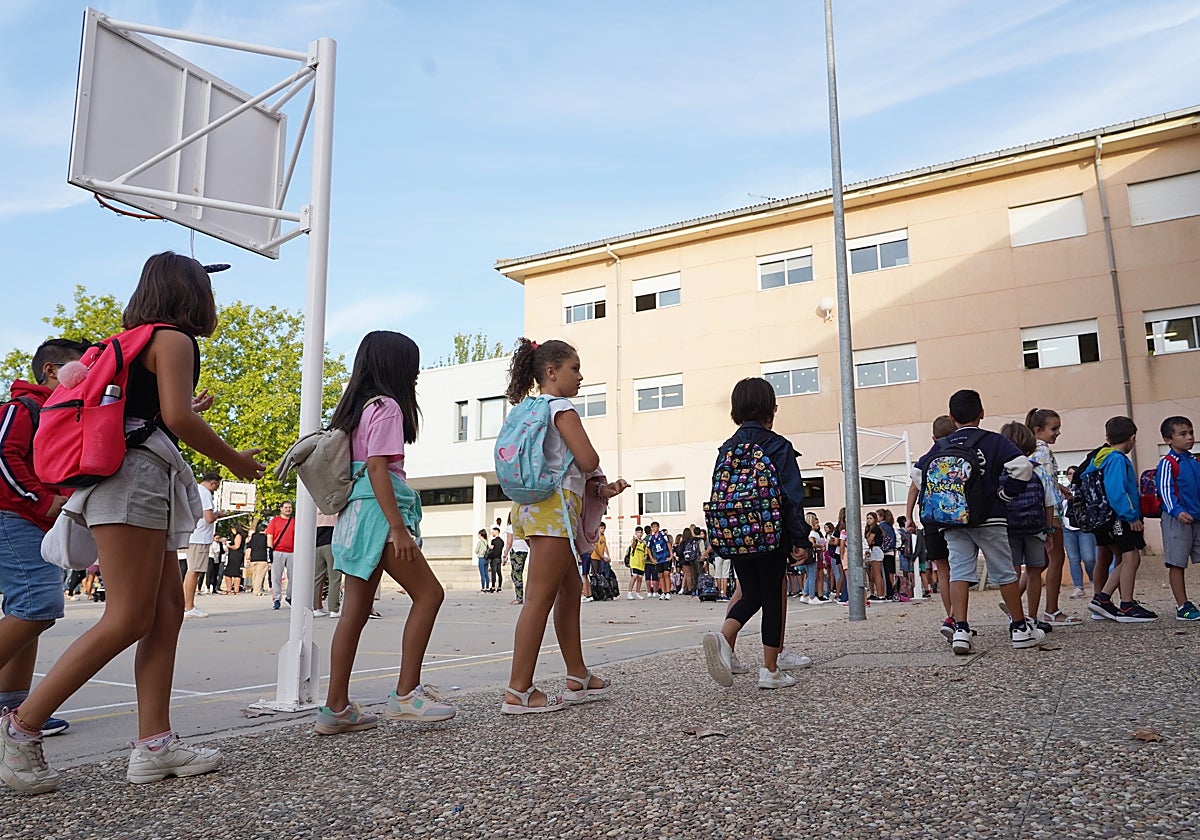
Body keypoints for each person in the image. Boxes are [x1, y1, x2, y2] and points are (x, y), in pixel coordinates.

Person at [1, 252, 266, 793]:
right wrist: (235, 459)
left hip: (128, 479)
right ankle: (22, 729)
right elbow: (177, 417)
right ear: (190, 292)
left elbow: (151, 414)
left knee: (167, 610)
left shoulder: (131, 341)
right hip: (135, 484)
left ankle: (154, 745)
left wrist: (185, 410)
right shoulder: (173, 339)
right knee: (127, 618)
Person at [315, 330, 454, 734]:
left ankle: (336, 707)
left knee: (354, 610)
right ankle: (406, 694)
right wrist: (399, 528)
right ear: (396, 366)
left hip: (354, 515)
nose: (416, 374)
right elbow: (379, 467)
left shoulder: (357, 408)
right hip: (380, 513)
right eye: (412, 366)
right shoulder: (389, 407)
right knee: (430, 594)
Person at [501, 338, 629, 714]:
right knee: (539, 599)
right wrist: (595, 470)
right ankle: (518, 690)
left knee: (570, 590)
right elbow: (588, 459)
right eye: (574, 368)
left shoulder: (527, 409)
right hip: (554, 511)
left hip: (532, 507)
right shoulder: (562, 408)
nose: (581, 376)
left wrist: (599, 488)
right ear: (551, 372)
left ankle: (577, 674)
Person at [0, 338, 90, 746]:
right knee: (38, 605)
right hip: (14, 514)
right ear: (52, 370)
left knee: (27, 610)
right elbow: (3, 454)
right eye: (79, 368)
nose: (86, 377)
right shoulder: (22, 408)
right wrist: (41, 499)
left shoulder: (61, 413)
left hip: (32, 519)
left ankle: (12, 703)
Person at [911, 389, 1041, 655]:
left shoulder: (942, 445)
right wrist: (1005, 495)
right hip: (989, 516)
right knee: (1004, 571)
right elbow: (1023, 468)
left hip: (953, 519)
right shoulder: (993, 441)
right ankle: (1019, 628)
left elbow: (917, 473)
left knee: (959, 571)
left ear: (951, 416)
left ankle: (961, 629)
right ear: (982, 413)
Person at [702, 377, 812, 690]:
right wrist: (800, 538)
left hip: (736, 532)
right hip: (770, 532)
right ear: (771, 408)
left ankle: (724, 639)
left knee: (751, 592)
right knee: (773, 597)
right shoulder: (777, 446)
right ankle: (770, 670)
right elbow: (791, 496)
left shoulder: (727, 448)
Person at [1083, 416, 1157, 623]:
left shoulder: (1101, 457)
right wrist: (1131, 515)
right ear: (1132, 438)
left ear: (1108, 437)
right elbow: (1117, 490)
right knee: (1131, 557)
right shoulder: (1116, 459)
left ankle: (1104, 599)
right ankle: (1125, 605)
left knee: (1129, 558)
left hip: (1108, 517)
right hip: (1120, 517)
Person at [997, 422, 1056, 634]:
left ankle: (1016, 618)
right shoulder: (1038, 469)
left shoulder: (998, 471)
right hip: (1034, 527)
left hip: (1008, 528)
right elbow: (1049, 502)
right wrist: (1048, 531)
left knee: (1011, 573)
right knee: (1033, 572)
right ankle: (1032, 617)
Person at [1026, 408, 1080, 625]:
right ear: (1039, 430)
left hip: (1034, 511)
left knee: (1039, 561)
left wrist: (1059, 486)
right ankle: (1052, 610)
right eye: (1054, 429)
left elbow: (1040, 478)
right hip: (1050, 511)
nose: (1057, 433)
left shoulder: (1028, 451)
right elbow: (1045, 483)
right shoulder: (1043, 452)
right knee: (1057, 557)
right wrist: (1053, 512)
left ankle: (1015, 598)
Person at [906, 415, 957, 640]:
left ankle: (952, 618)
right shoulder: (960, 455)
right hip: (958, 521)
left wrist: (908, 517)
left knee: (943, 573)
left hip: (932, 522)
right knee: (961, 570)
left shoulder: (925, 460)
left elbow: (913, 490)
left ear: (933, 437)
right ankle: (959, 616)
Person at [1157, 416, 1200, 621]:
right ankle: (1183, 605)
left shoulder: (1194, 461)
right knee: (1177, 563)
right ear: (1168, 439)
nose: (1189, 437)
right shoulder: (1167, 462)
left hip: (1197, 518)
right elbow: (1165, 490)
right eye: (1183, 434)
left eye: (1191, 432)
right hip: (1177, 520)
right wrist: (1176, 510)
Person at [183, 472, 221, 618]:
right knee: (194, 571)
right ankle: (189, 606)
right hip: (199, 537)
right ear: (212, 483)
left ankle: (186, 605)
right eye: (216, 486)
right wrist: (218, 514)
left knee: (192, 571)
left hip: (196, 535)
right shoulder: (205, 493)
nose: (216, 489)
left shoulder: (196, 490)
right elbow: (209, 518)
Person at [1061, 466, 1095, 599]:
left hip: (1084, 527)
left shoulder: (1085, 489)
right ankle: (1078, 587)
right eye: (1069, 473)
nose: (1071, 476)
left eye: (1074, 473)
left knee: (1089, 558)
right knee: (1073, 559)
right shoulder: (1063, 491)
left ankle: (1094, 581)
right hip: (1068, 528)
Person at [266, 502, 295, 610]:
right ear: (281, 509)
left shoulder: (294, 521)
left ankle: (290, 596)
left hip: (292, 551)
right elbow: (270, 536)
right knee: (276, 577)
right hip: (278, 551)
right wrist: (270, 550)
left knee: (293, 577)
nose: (288, 509)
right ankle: (277, 599)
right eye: (286, 507)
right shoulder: (275, 521)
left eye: (289, 507)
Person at [312, 512, 342, 617]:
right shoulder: (332, 507)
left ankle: (315, 607)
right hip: (331, 543)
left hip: (317, 544)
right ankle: (334, 609)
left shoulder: (314, 508)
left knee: (317, 578)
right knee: (334, 577)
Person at [502, 513, 528, 605]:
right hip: (524, 550)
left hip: (516, 550)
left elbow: (509, 542)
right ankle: (520, 596)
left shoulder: (511, 527)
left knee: (516, 574)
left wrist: (505, 555)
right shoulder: (523, 526)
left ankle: (519, 598)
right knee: (516, 573)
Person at [646, 521, 672, 600]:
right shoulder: (652, 538)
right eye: (652, 527)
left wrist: (671, 555)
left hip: (665, 557)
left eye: (655, 527)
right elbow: (648, 548)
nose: (654, 528)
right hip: (658, 559)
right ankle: (663, 592)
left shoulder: (663, 535)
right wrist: (652, 558)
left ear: (658, 527)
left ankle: (668, 592)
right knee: (661, 576)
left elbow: (668, 543)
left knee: (666, 574)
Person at [863, 512, 885, 601]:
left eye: (870, 518)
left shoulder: (875, 529)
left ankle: (881, 595)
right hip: (871, 550)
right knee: (872, 575)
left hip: (876, 550)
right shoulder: (869, 529)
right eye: (867, 518)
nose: (868, 520)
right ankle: (875, 593)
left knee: (877, 574)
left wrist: (869, 541)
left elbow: (869, 541)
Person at [246, 521, 270, 595]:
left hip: (254, 557)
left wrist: (248, 556)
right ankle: (257, 591)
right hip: (262, 558)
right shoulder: (266, 537)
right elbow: (269, 546)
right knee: (260, 575)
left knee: (254, 575)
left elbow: (249, 546)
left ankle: (255, 589)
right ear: (265, 529)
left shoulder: (254, 536)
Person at [223, 524, 246, 596]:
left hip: (236, 555)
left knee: (235, 572)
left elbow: (236, 546)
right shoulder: (239, 535)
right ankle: (229, 589)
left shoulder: (238, 535)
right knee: (229, 572)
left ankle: (235, 590)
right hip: (235, 555)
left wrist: (229, 546)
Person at [626, 525, 647, 599]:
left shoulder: (644, 543)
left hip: (641, 564)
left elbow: (646, 553)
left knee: (640, 578)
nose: (640, 534)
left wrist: (645, 558)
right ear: (636, 533)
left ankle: (638, 593)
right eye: (638, 532)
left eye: (641, 532)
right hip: (634, 563)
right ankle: (629, 592)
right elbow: (633, 545)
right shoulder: (634, 540)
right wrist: (634, 540)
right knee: (634, 577)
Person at [488, 526, 505, 595]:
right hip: (499, 558)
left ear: (496, 532)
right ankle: (499, 587)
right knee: (499, 573)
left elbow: (491, 549)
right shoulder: (501, 541)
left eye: (493, 531)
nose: (492, 533)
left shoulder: (493, 541)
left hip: (494, 559)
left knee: (493, 573)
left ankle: (493, 587)